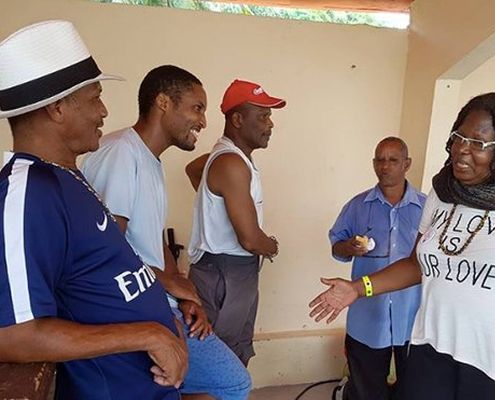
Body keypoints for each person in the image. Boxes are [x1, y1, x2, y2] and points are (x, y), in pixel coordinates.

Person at [309, 92, 495, 400]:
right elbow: (418, 264)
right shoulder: (442, 194)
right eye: (458, 138)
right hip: (432, 349)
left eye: (478, 143)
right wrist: (358, 288)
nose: (461, 150)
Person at [0, 21, 187, 399]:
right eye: (94, 98)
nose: (103, 111)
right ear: (56, 109)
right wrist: (148, 333)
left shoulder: (67, 177)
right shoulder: (28, 190)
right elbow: (13, 334)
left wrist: (165, 323)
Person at [81, 65, 252, 400]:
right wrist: (167, 284)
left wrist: (186, 293)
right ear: (163, 102)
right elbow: (105, 252)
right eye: (196, 108)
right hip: (131, 305)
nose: (203, 121)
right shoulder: (121, 154)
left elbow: (153, 241)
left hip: (157, 296)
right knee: (233, 385)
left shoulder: (149, 159)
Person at [186, 79, 285, 365]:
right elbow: (251, 239)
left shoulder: (230, 157)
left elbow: (192, 170)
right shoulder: (231, 163)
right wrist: (272, 246)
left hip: (235, 271)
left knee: (236, 352)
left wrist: (215, 208)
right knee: (219, 360)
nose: (270, 124)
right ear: (238, 119)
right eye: (263, 116)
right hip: (224, 272)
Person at [329, 137, 425, 400]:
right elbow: (336, 246)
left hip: (413, 319)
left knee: (413, 389)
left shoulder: (427, 209)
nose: (385, 166)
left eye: (393, 160)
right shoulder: (358, 206)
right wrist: (348, 246)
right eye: (380, 160)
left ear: (407, 164)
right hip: (367, 319)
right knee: (366, 390)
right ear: (373, 164)